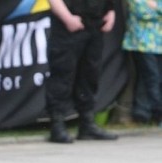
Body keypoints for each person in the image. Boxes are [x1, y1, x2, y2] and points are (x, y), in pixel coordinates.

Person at [45, 0, 119, 143]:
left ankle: (87, 124)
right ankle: (57, 125)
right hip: (68, 24)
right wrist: (67, 18)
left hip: (95, 23)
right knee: (62, 74)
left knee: (90, 75)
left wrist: (111, 10)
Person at [122, 0, 161, 126]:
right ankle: (158, 113)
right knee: (151, 77)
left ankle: (142, 112)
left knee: (150, 78)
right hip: (142, 43)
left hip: (159, 43)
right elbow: (142, 13)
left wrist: (155, 7)